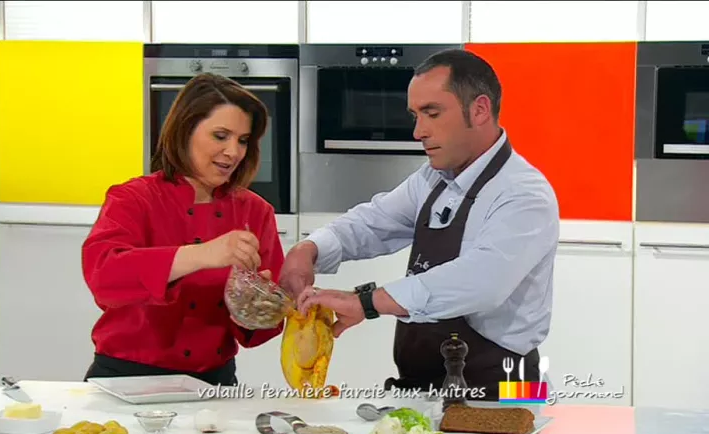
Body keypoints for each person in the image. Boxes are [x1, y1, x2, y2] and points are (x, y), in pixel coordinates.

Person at [280, 49, 560, 401]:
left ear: (480, 110)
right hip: (423, 388)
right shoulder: (432, 179)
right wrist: (309, 249)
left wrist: (367, 302)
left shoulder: (523, 193)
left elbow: (480, 282)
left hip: (502, 391)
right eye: (415, 115)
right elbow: (373, 222)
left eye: (432, 113)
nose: (418, 131)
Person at [81, 72, 285, 385]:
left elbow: (261, 330)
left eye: (243, 140)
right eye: (221, 136)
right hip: (126, 378)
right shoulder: (133, 198)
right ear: (186, 129)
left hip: (214, 384)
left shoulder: (256, 211)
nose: (234, 152)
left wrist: (260, 309)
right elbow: (104, 277)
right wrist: (202, 254)